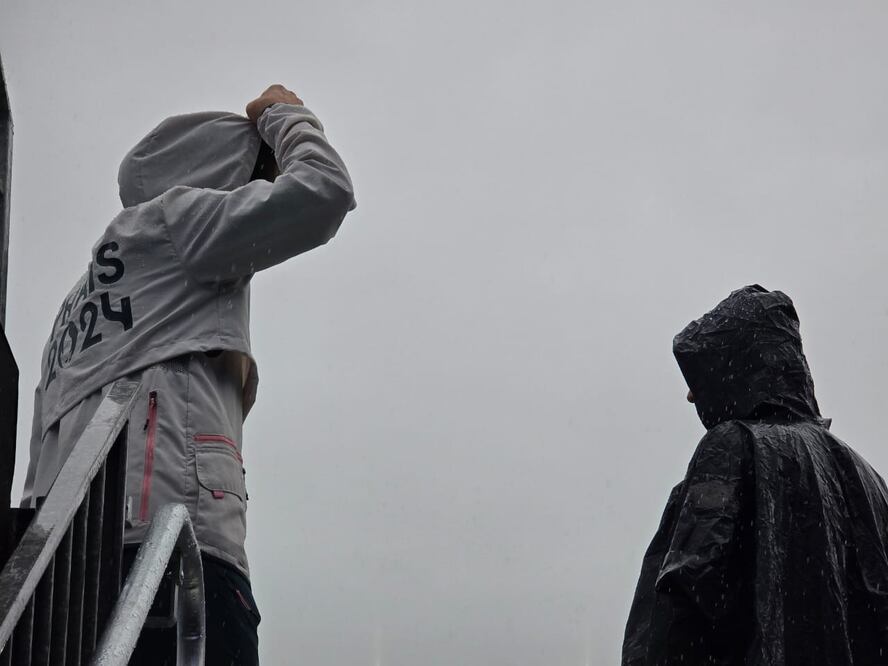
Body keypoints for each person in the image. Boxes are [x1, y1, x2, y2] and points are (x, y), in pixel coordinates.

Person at [21, 84, 355, 664]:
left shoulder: (77, 307)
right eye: (256, 175)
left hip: (61, 576)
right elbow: (323, 191)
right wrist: (284, 115)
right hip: (168, 547)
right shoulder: (179, 222)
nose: (261, 192)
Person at [622, 285, 888, 665]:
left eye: (702, 377)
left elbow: (684, 597)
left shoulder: (734, 445)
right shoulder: (870, 481)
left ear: (738, 368)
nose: (691, 398)